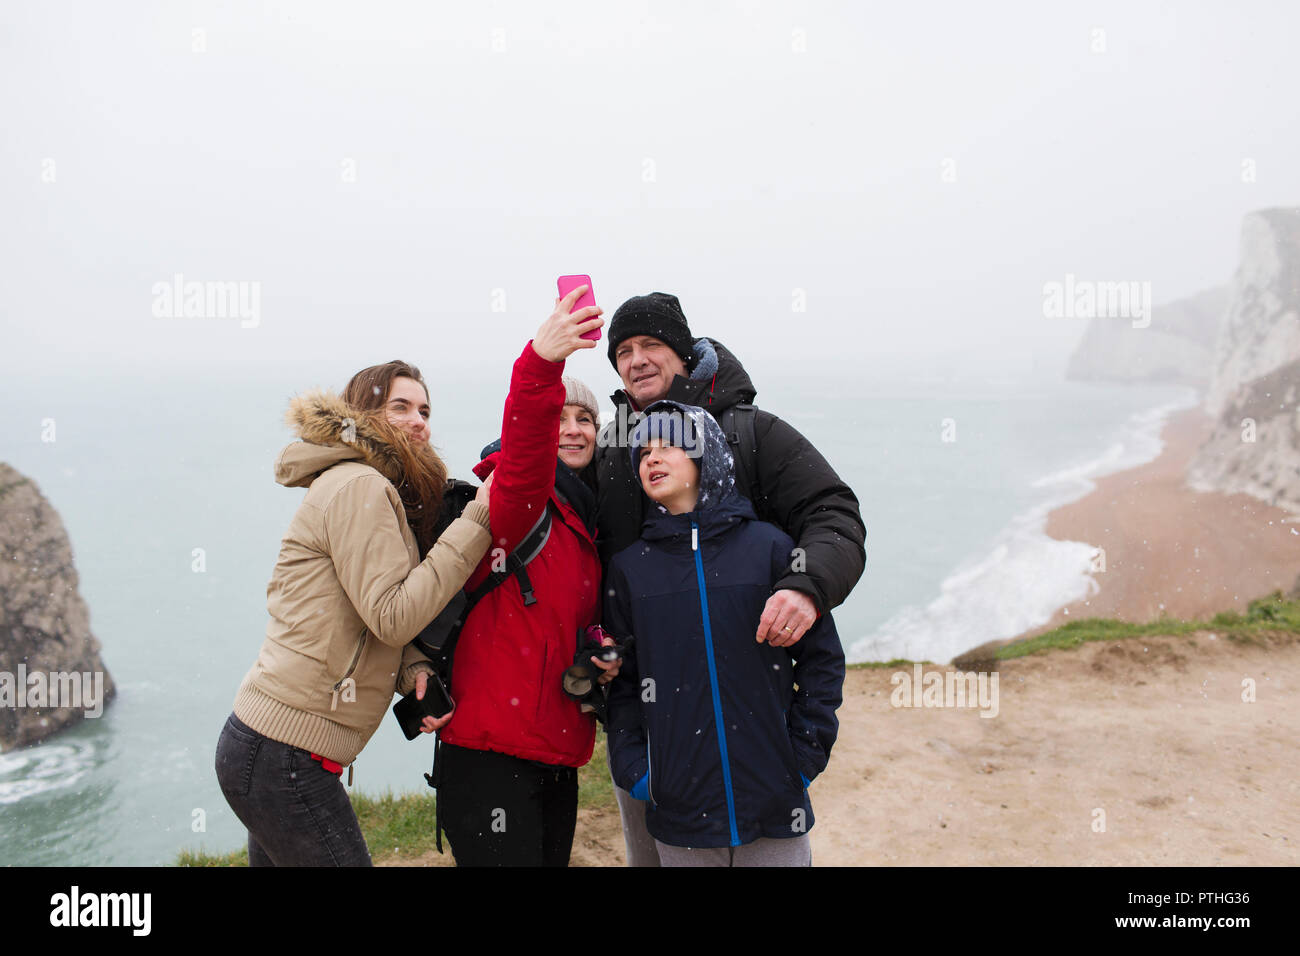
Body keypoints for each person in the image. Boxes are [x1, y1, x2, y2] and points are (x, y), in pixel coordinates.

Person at [594, 290, 865, 865]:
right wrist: (634, 761)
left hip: (755, 726)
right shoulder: (614, 448)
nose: (636, 359)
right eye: (623, 350)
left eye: (652, 345)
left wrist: (804, 584)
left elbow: (833, 513)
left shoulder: (752, 432)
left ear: (686, 356)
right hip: (659, 731)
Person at [214, 360, 493, 866]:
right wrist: (476, 522)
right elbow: (391, 615)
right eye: (400, 407)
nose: (418, 421)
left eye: (425, 410)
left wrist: (411, 668)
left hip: (265, 746)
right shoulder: (361, 487)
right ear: (364, 417)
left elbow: (366, 611)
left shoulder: (364, 484)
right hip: (284, 756)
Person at [432, 286, 620, 867]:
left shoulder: (588, 523)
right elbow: (525, 457)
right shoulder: (517, 502)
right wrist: (543, 362)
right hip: (491, 755)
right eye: (559, 416)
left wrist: (601, 655)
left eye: (584, 418)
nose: (572, 429)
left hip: (555, 754)